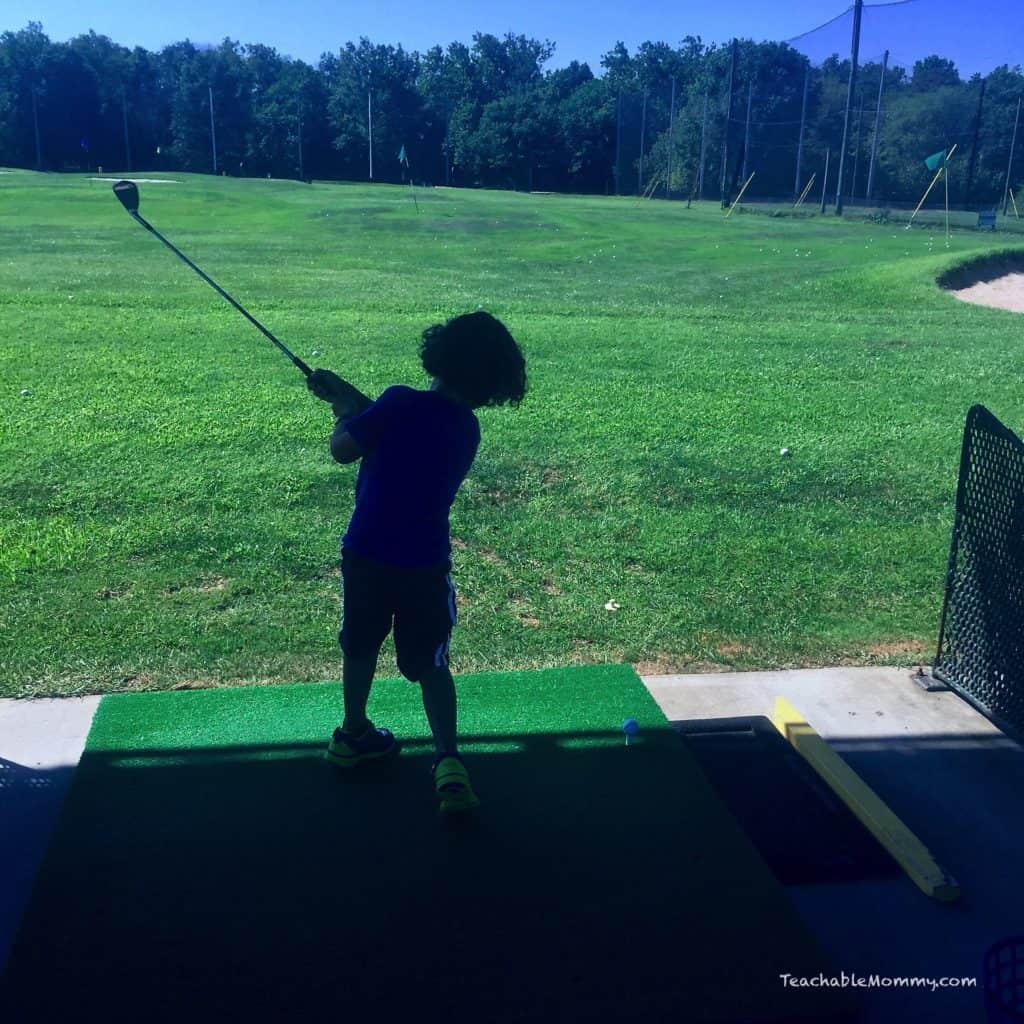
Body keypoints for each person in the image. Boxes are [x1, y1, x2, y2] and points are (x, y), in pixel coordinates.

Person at [307, 311, 527, 813]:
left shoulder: (397, 402)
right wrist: (352, 398)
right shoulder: (464, 428)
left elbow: (346, 448)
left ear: (438, 353)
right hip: (423, 565)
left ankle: (353, 734)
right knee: (430, 662)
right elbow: (403, 432)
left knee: (360, 644)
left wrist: (345, 413)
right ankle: (448, 761)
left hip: (365, 555)